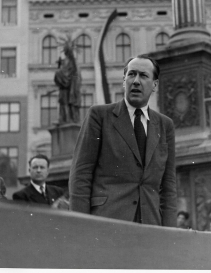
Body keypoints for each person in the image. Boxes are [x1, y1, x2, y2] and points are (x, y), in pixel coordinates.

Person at [69, 55, 177, 227]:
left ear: (155, 85)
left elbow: (169, 185)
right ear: (123, 81)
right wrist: (80, 226)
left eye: (143, 75)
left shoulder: (165, 125)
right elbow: (80, 175)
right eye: (131, 75)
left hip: (150, 226)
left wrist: (171, 232)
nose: (136, 81)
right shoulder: (100, 116)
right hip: (107, 222)